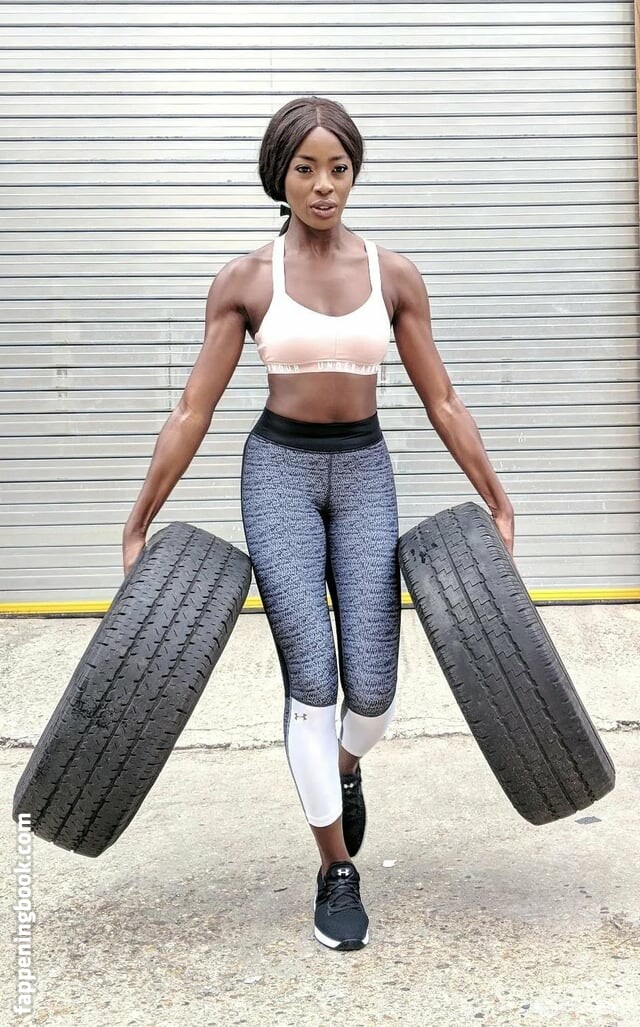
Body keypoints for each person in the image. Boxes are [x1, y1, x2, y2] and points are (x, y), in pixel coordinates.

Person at [122, 95, 515, 952]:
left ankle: (341, 769)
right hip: (280, 473)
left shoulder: (394, 275)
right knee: (312, 679)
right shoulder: (246, 280)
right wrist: (140, 516)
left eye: (338, 167)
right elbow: (193, 409)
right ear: (281, 175)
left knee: (372, 692)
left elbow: (443, 398)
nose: (324, 184)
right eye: (306, 168)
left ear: (354, 173)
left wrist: (496, 494)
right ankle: (336, 866)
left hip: (365, 470)